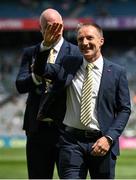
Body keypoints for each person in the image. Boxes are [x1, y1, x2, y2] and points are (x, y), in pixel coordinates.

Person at [33, 23, 131, 179]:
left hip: (102, 143)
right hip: (71, 143)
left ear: (101, 41)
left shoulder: (117, 72)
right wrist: (45, 46)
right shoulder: (68, 64)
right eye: (80, 39)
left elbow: (124, 109)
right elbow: (40, 70)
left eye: (89, 38)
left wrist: (109, 138)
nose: (84, 43)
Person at [15, 8, 80, 179]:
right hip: (37, 131)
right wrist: (37, 76)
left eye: (56, 27)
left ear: (63, 26)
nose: (53, 31)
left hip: (66, 130)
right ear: (40, 28)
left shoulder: (76, 52)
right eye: (48, 27)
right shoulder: (31, 52)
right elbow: (20, 85)